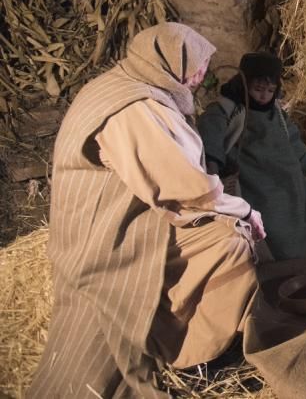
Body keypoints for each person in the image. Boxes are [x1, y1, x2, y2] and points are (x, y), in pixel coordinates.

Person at [30, 23, 264, 398]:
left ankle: (183, 335)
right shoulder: (137, 110)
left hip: (126, 213)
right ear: (169, 62)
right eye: (198, 65)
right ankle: (186, 345)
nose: (203, 75)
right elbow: (189, 188)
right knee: (230, 240)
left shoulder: (126, 82)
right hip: (108, 235)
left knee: (226, 232)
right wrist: (245, 211)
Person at [198, 52, 306, 261]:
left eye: (270, 90)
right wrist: (213, 165)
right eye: (257, 89)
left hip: (287, 174)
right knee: (273, 218)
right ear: (243, 83)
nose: (264, 96)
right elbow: (211, 133)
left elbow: (291, 139)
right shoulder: (228, 109)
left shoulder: (277, 113)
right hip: (255, 176)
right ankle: (280, 255)